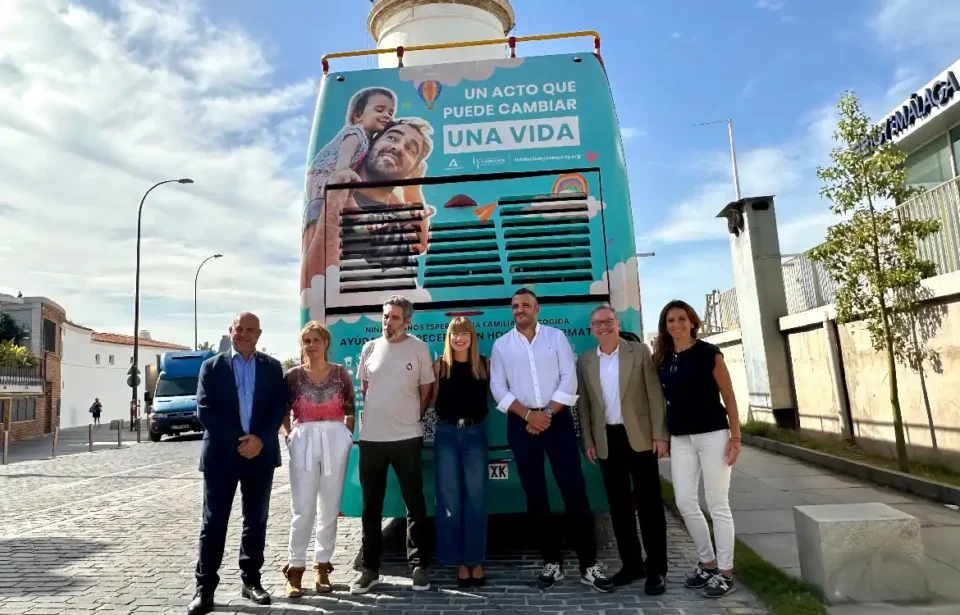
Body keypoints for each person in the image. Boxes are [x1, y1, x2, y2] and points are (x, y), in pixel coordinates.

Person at [489, 288, 613, 593]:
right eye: (515, 306)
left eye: (526, 305)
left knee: (574, 492)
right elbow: (498, 387)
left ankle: (588, 565)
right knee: (536, 496)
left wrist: (545, 413)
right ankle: (551, 563)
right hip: (521, 426)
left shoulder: (555, 337)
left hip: (556, 422)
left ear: (537, 308)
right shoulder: (501, 346)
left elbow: (568, 378)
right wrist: (529, 416)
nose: (520, 310)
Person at [188, 313, 287, 615]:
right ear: (230, 331)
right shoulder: (211, 367)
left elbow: (278, 407)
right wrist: (239, 442)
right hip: (221, 455)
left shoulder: (272, 368)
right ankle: (204, 588)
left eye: (250, 330)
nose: (244, 334)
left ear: (259, 334)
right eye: (238, 329)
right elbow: (205, 410)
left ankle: (252, 581)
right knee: (213, 522)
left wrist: (260, 439)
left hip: (260, 454)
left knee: (255, 520)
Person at [576, 305, 669, 594]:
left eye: (607, 321)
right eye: (596, 324)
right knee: (619, 508)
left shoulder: (638, 351)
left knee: (650, 505)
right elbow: (585, 405)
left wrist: (659, 434)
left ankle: (657, 569)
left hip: (640, 437)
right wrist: (588, 439)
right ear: (591, 329)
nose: (602, 327)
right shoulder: (586, 360)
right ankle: (631, 565)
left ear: (617, 323)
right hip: (607, 440)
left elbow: (655, 394)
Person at [654, 300, 741, 599]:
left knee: (717, 504)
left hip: (713, 434)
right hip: (681, 438)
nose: (676, 324)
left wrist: (736, 438)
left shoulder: (709, 354)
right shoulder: (663, 358)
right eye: (670, 320)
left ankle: (726, 572)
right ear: (665, 325)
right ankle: (708, 562)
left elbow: (728, 396)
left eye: (681, 319)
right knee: (685, 502)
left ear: (692, 322)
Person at [350, 295, 435, 595]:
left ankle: (419, 566)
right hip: (371, 439)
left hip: (407, 438)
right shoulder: (369, 348)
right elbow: (366, 389)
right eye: (385, 317)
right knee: (370, 507)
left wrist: (411, 417)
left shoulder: (419, 349)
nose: (388, 322)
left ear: (407, 320)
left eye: (395, 317)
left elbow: (427, 391)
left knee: (415, 504)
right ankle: (371, 569)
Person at [302, 118, 436, 291]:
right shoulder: (324, 204)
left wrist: (414, 190)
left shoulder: (399, 221)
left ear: (412, 171)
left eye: (410, 149)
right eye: (392, 138)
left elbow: (421, 244)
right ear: (370, 145)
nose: (398, 148)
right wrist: (335, 201)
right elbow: (311, 290)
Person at [280, 322, 355, 598]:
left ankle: (322, 566)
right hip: (304, 436)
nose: (311, 345)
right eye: (306, 341)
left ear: (326, 343)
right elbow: (284, 411)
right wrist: (290, 437)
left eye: (316, 340)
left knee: (330, 506)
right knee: (303, 508)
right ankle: (295, 569)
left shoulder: (340, 373)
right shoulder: (292, 376)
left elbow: (350, 408)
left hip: (335, 436)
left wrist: (347, 436)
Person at [430, 317, 490, 588]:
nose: (459, 338)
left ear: (472, 337)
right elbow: (429, 400)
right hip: (445, 435)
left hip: (476, 434)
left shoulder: (483, 365)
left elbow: (496, 396)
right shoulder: (439, 367)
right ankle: (458, 562)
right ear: (448, 337)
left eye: (465, 333)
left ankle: (475, 560)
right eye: (454, 333)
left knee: (476, 499)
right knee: (449, 499)